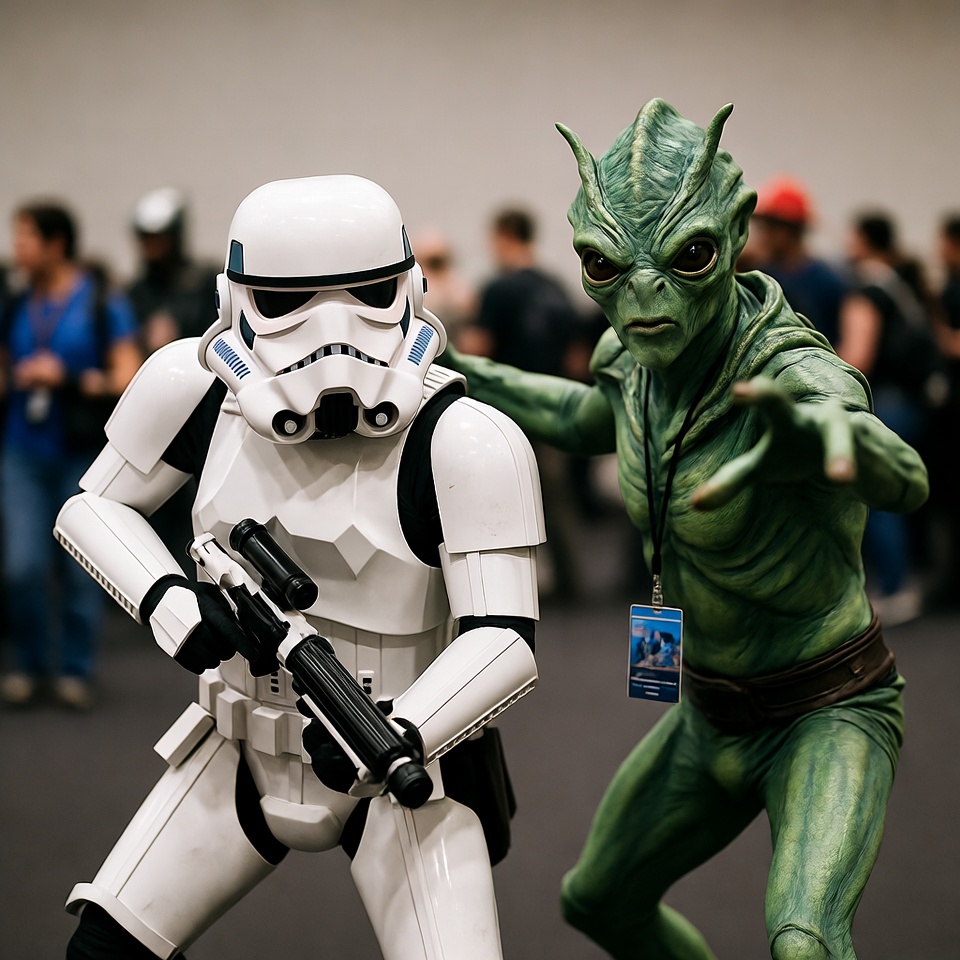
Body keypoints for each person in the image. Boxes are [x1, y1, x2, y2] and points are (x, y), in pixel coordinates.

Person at [444, 99, 927, 960]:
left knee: (805, 941)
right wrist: (464, 373)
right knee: (597, 901)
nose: (642, 300)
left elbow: (905, 476)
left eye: (686, 259)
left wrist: (836, 438)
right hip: (705, 710)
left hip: (826, 708)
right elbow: (592, 418)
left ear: (734, 238)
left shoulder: (787, 371)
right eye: (605, 268)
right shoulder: (635, 360)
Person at [56, 175, 544, 960]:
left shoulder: (466, 442)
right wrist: (168, 599)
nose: (333, 332)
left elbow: (505, 639)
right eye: (287, 303)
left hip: (396, 763)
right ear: (235, 301)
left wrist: (401, 734)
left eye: (369, 296)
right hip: (237, 741)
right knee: (104, 952)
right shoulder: (191, 391)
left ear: (412, 291)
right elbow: (92, 507)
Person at [0, 201, 140, 709]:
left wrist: (68, 378)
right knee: (21, 566)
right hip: (22, 451)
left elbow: (127, 374)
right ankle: (33, 664)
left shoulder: (100, 300)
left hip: (80, 453)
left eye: (25, 238)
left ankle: (75, 669)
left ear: (55, 244)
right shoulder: (16, 303)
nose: (17, 249)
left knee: (81, 566)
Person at [461, 208, 581, 598]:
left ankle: (515, 587)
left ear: (504, 237)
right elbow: (577, 356)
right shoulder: (556, 286)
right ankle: (569, 580)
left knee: (508, 498)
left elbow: (478, 348)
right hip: (553, 405)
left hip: (510, 411)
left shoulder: (498, 290)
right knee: (557, 496)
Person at [840, 211, 942, 621]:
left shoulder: (867, 289)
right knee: (896, 491)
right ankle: (901, 581)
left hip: (888, 403)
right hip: (913, 403)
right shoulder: (900, 281)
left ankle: (895, 587)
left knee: (874, 496)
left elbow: (857, 357)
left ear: (865, 240)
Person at [744, 176, 851, 347]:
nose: (763, 235)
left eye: (769, 227)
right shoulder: (760, 276)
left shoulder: (828, 282)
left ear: (789, 231)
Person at [127, 187, 219, 353]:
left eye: (159, 238)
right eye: (146, 237)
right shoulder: (135, 293)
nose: (151, 245)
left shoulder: (207, 282)